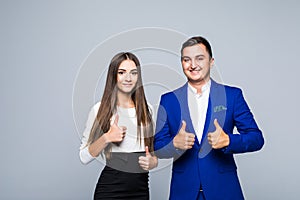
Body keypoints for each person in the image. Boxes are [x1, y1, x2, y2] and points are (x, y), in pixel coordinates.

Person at [154, 36, 264, 200]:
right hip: (183, 192)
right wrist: (174, 144)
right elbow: (157, 146)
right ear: (182, 63)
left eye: (199, 58)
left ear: (211, 61)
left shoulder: (232, 96)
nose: (193, 65)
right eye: (186, 60)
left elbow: (256, 138)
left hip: (224, 190)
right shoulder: (168, 100)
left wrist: (229, 141)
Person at [79, 52, 158, 200]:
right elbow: (83, 157)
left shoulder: (147, 109)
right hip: (110, 191)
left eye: (133, 73)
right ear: (113, 76)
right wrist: (107, 137)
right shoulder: (99, 110)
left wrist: (152, 163)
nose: (128, 78)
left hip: (140, 191)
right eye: (122, 72)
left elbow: (152, 156)